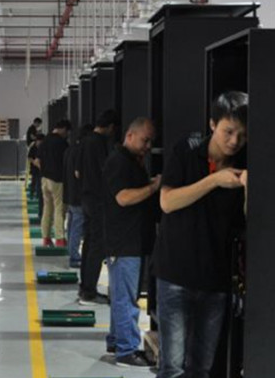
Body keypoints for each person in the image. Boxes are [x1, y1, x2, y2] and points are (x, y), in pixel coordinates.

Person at [155, 92, 249, 378]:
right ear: (212, 124)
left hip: (215, 280)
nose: (234, 141)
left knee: (201, 367)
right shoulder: (187, 150)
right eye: (228, 132)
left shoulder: (246, 161)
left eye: (242, 135)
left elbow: (248, 222)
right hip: (175, 275)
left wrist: (248, 188)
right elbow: (167, 202)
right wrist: (214, 180)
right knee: (172, 367)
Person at [103, 117, 161, 368]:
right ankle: (126, 350)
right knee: (126, 298)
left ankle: (117, 341)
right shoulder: (118, 162)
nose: (148, 146)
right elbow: (123, 198)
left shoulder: (131, 161)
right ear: (129, 136)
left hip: (132, 240)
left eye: (150, 142)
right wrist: (153, 188)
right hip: (124, 241)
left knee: (122, 295)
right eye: (145, 140)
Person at [78, 111, 119, 307]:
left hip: (86, 197)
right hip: (97, 199)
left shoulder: (85, 141)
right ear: (110, 127)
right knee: (98, 245)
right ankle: (89, 292)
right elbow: (106, 170)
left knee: (89, 243)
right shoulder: (100, 143)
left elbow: (78, 171)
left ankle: (85, 286)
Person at [38, 120, 71, 247]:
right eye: (67, 132)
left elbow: (38, 160)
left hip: (44, 179)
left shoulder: (44, 141)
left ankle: (46, 238)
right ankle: (60, 239)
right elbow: (67, 162)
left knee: (47, 208)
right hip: (57, 180)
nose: (67, 135)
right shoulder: (62, 143)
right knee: (59, 209)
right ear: (63, 129)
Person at [63, 124, 92, 268]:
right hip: (78, 194)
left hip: (69, 192)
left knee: (71, 223)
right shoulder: (82, 151)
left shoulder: (70, 149)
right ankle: (74, 256)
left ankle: (71, 252)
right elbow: (79, 173)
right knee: (77, 225)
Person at [28, 133, 44, 211]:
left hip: (41, 170)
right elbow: (29, 157)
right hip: (35, 168)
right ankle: (32, 193)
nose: (39, 143)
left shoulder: (44, 148)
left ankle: (38, 197)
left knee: (39, 184)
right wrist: (34, 162)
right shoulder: (33, 147)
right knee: (34, 181)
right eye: (38, 141)